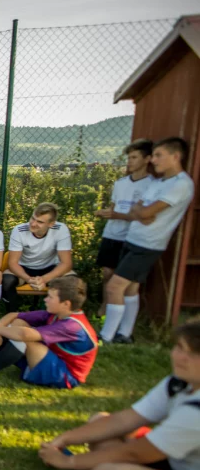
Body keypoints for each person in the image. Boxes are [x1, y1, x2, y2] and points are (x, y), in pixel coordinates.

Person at [38, 320, 200, 470]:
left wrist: (69, 462)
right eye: (179, 347)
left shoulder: (196, 412)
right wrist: (64, 440)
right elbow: (124, 420)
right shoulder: (179, 382)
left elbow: (137, 453)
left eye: (193, 354)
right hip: (174, 461)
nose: (180, 357)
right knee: (100, 420)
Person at [100, 137, 194, 345]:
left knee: (115, 286)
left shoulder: (181, 185)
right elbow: (138, 209)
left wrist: (141, 212)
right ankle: (125, 333)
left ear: (175, 156)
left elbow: (145, 211)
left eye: (159, 155)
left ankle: (106, 336)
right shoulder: (160, 182)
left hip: (148, 244)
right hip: (133, 238)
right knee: (131, 288)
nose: (154, 160)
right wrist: (141, 212)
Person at [0, 276, 98, 389]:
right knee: (19, 323)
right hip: (51, 359)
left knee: (23, 336)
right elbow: (14, 315)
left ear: (66, 304)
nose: (45, 299)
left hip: (64, 375)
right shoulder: (57, 313)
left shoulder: (72, 326)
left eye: (50, 297)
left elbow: (25, 335)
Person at [93, 140, 154, 323]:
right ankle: (104, 307)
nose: (130, 161)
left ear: (147, 159)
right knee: (107, 274)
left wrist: (117, 215)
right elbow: (114, 207)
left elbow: (145, 216)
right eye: (129, 157)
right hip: (112, 233)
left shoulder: (152, 185)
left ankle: (121, 318)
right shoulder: (120, 183)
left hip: (132, 237)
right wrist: (106, 213)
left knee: (126, 280)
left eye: (134, 157)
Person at [2, 202, 73, 313]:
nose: (33, 224)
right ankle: (12, 317)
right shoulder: (19, 230)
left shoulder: (61, 230)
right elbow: (13, 263)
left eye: (40, 222)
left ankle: (61, 318)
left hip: (50, 267)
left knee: (71, 281)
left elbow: (66, 263)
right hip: (25, 267)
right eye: (32, 218)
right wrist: (29, 279)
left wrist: (44, 279)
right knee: (7, 280)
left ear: (51, 224)